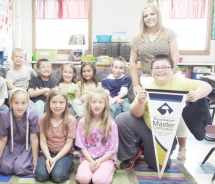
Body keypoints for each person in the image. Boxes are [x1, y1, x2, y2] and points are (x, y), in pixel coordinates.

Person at [116, 55, 212, 171]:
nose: (160, 70)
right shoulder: (147, 88)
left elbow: (207, 86)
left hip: (166, 134)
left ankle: (150, 148)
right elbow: (136, 114)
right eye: (156, 68)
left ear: (172, 69)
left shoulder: (181, 83)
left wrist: (196, 95)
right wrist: (140, 102)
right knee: (122, 118)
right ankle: (130, 155)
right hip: (148, 129)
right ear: (151, 71)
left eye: (164, 67)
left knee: (161, 167)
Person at [129, 3, 187, 161]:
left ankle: (182, 147)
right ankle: (155, 144)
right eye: (145, 16)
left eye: (151, 14)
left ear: (158, 15)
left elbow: (175, 57)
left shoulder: (169, 34)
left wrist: (168, 75)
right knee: (154, 113)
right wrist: (135, 84)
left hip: (170, 75)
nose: (149, 18)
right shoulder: (138, 38)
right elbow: (133, 63)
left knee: (179, 110)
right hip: (148, 77)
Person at [75, 88, 118, 184]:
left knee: (98, 180)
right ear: (89, 104)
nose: (97, 105)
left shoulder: (111, 123)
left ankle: (112, 169)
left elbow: (113, 148)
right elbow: (81, 145)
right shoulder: (83, 122)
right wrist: (91, 161)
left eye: (100, 102)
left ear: (105, 104)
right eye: (93, 102)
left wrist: (100, 161)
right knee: (83, 179)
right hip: (88, 157)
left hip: (105, 158)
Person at [35, 87, 77, 183]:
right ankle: (53, 165)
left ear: (66, 104)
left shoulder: (71, 120)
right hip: (48, 152)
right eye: (54, 102)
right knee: (41, 177)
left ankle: (69, 164)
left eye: (61, 102)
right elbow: (43, 141)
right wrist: (49, 157)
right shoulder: (42, 119)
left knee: (57, 177)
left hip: (64, 153)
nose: (57, 106)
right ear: (48, 103)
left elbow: (68, 144)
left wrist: (55, 159)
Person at [0, 88, 39, 176]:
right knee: (5, 168)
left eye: (23, 103)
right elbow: (2, 139)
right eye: (16, 103)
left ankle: (24, 161)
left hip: (26, 146)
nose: (20, 107)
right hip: (11, 145)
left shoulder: (32, 115)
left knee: (20, 169)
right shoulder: (5, 116)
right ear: (10, 103)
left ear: (27, 103)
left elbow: (34, 139)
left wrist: (35, 160)